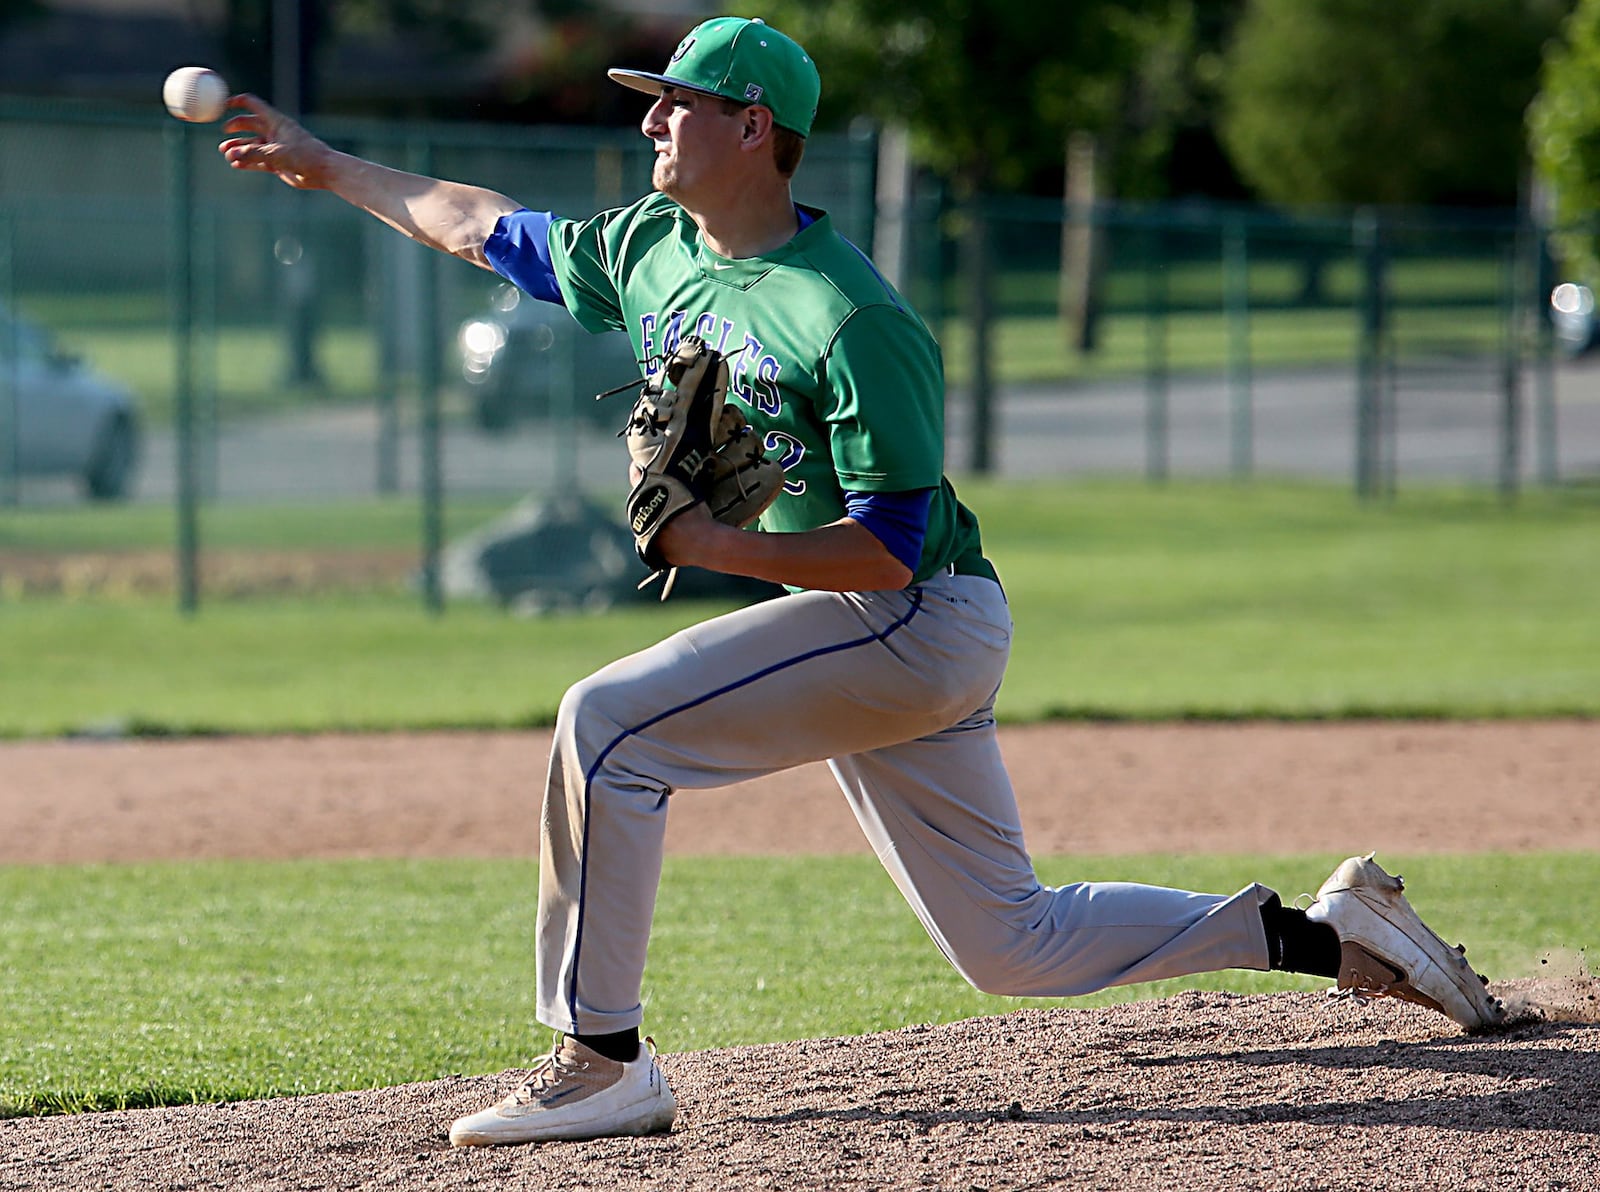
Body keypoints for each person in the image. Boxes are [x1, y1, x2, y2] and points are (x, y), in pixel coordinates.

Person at [218, 15, 1503, 1148]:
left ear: (752, 126)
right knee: (1013, 944)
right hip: (879, 629)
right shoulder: (655, 246)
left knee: (605, 729)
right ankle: (1326, 935)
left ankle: (599, 1060)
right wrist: (324, 164)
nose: (652, 117)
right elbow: (478, 224)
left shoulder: (850, 318)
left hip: (909, 616)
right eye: (650, 98)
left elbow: (887, 546)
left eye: (676, 100)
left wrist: (718, 550)